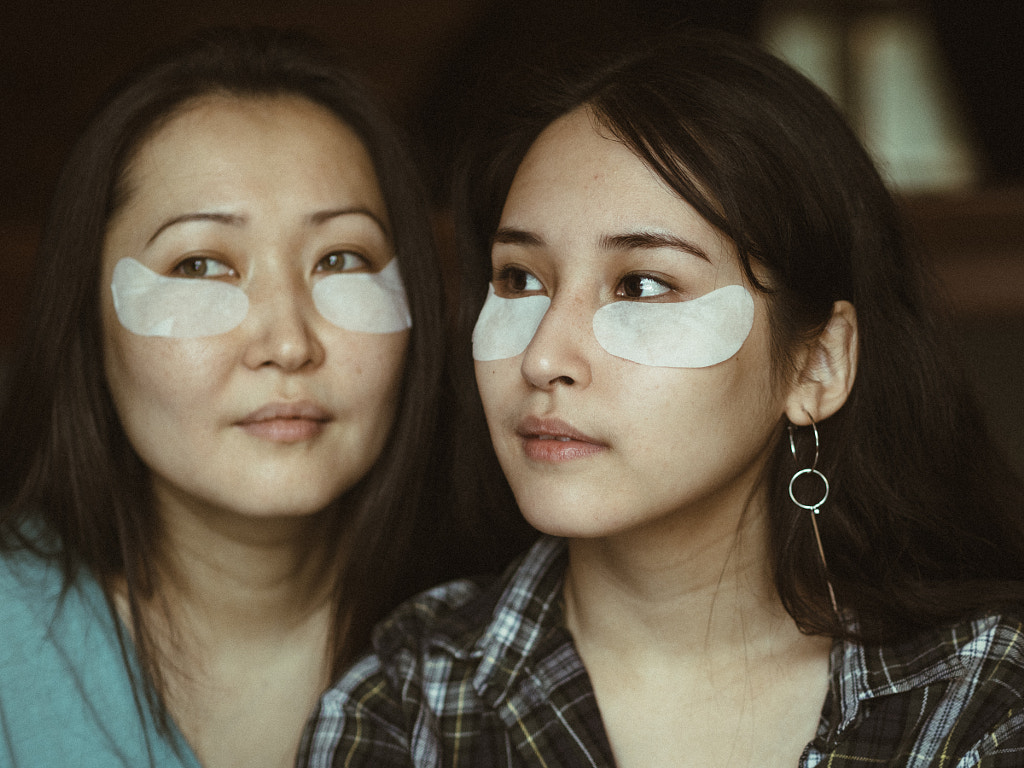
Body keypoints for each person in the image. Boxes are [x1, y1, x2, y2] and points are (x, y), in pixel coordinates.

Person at [300, 27, 1024, 768]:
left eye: (643, 285)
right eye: (519, 279)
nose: (544, 356)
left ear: (817, 365)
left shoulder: (978, 697)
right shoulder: (408, 703)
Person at [0, 27, 530, 768]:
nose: (288, 342)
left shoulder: (517, 654)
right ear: (86, 321)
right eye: (201, 265)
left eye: (342, 259)